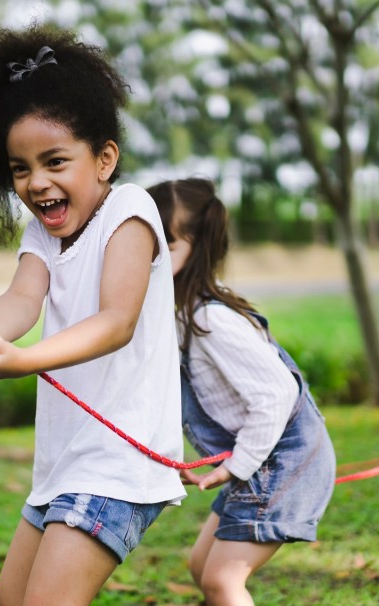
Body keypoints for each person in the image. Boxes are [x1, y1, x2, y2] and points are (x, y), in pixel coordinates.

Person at [0, 24, 186, 605]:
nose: (36, 182)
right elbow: (22, 297)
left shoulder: (129, 210)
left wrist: (21, 361)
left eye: (54, 161)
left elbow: (116, 321)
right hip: (62, 464)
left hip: (117, 464)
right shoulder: (43, 234)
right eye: (20, 168)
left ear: (104, 159)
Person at [147, 178, 336, 606]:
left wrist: (237, 465)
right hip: (258, 459)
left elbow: (275, 395)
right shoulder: (179, 317)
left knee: (222, 580)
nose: (150, 258)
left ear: (198, 246)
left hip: (282, 460)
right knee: (202, 567)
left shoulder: (211, 320)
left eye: (166, 246)